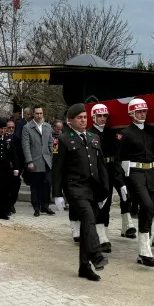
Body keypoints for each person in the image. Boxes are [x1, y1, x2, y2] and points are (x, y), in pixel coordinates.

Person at [52, 104, 109, 281]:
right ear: (70, 121)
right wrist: (57, 194)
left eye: (85, 117)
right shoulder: (63, 140)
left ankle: (84, 267)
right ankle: (96, 255)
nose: (83, 120)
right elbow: (58, 169)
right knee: (87, 216)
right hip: (74, 187)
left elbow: (101, 167)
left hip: (92, 188)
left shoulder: (94, 137)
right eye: (79, 117)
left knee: (87, 225)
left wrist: (104, 191)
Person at [116, 98, 154, 267]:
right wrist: (121, 182)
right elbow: (118, 159)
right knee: (146, 205)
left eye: (144, 111)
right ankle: (144, 249)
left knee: (151, 206)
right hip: (135, 173)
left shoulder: (152, 132)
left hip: (151, 173)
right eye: (138, 112)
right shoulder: (125, 133)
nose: (142, 114)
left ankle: (144, 251)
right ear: (131, 114)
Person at [87, 103, 116, 253]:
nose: (103, 118)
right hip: (97, 171)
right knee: (98, 202)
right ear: (93, 117)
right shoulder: (89, 134)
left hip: (110, 169)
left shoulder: (111, 132)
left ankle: (104, 232)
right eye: (100, 116)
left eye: (105, 116)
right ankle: (100, 235)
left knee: (108, 202)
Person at [22, 106, 54, 216]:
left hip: (46, 160)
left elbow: (50, 142)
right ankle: (36, 207)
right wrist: (29, 161)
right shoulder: (27, 128)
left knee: (47, 184)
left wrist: (51, 155)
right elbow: (26, 146)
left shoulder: (47, 126)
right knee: (35, 185)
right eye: (37, 113)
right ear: (33, 114)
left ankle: (45, 206)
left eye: (41, 113)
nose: (39, 115)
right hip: (34, 161)